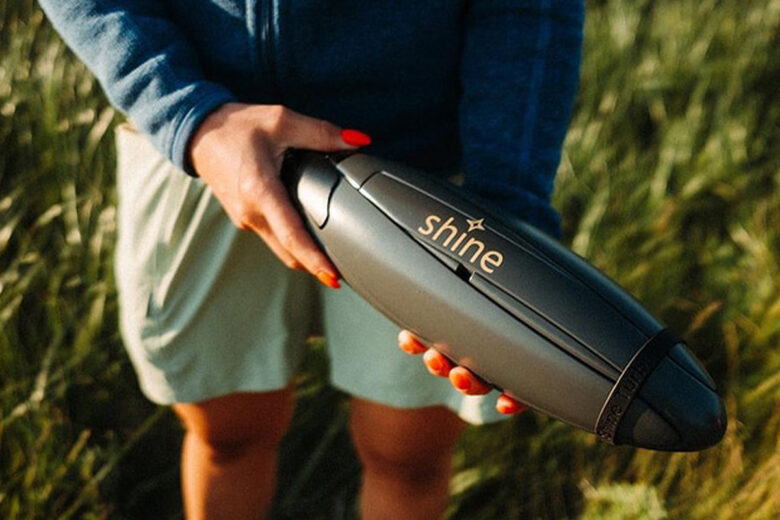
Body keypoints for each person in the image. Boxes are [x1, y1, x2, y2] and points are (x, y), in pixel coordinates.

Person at [39, 1, 584, 518]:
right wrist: (187, 114)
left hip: (427, 181)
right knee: (226, 438)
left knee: (407, 457)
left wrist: (507, 208)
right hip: (209, 150)